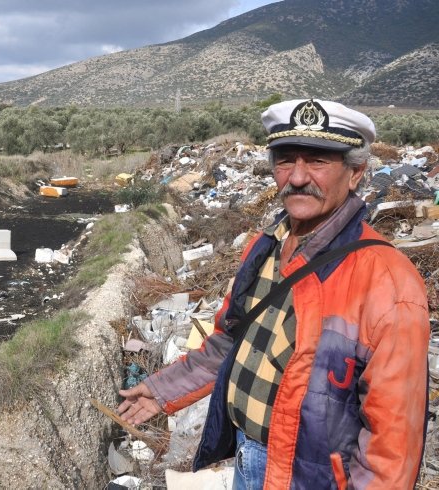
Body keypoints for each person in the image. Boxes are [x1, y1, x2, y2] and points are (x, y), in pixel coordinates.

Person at [118, 99, 430, 489]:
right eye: (285, 161)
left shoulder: (387, 280)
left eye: (317, 161)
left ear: (355, 173)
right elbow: (230, 342)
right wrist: (161, 390)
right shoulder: (264, 246)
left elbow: (394, 441)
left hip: (309, 478)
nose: (297, 177)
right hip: (249, 461)